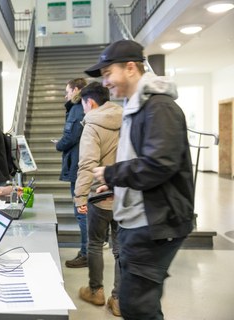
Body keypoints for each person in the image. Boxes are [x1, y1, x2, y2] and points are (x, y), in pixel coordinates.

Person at [86, 40, 194, 320]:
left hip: (155, 223)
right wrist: (115, 184)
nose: (106, 83)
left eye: (109, 73)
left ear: (131, 67)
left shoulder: (159, 108)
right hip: (140, 220)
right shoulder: (139, 107)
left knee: (137, 305)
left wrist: (113, 173)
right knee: (137, 303)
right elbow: (145, 160)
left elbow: (159, 164)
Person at [74, 82, 122, 316]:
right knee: (120, 248)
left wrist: (80, 196)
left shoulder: (92, 125)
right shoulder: (126, 119)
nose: (83, 110)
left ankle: (96, 291)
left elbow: (87, 165)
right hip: (124, 195)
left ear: (89, 102)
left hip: (100, 196)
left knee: (95, 243)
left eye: (83, 105)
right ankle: (119, 299)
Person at [55, 78, 88, 268]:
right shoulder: (83, 107)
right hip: (81, 165)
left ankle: (86, 253)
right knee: (83, 212)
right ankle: (87, 250)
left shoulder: (77, 108)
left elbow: (70, 136)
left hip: (79, 168)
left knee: (81, 212)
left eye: (67, 91)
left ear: (76, 90)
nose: (66, 95)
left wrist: (59, 145)